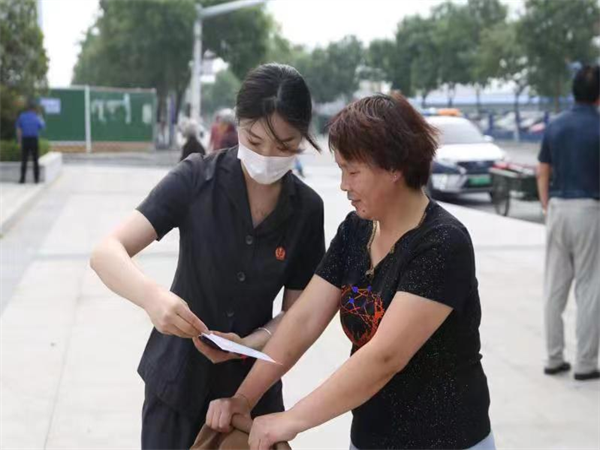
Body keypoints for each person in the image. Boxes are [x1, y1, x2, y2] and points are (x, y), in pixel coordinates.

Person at [207, 94, 494, 450]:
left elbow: (385, 356)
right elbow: (304, 319)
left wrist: (292, 419)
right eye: (341, 170)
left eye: (353, 171)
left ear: (394, 167)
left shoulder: (442, 243)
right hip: (371, 437)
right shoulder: (356, 230)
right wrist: (244, 398)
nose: (344, 185)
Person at [90, 63, 325, 450]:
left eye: (285, 146)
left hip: (253, 393)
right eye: (254, 140)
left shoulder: (307, 209)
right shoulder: (197, 178)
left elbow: (298, 314)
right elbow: (106, 252)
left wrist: (253, 340)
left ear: (302, 138)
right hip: (176, 387)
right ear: (237, 123)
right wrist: (153, 299)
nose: (267, 156)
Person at [537, 65, 600, 381]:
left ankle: (554, 357)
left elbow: (542, 170)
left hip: (558, 208)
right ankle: (586, 364)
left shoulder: (556, 125)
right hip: (590, 210)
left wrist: (547, 205)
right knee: (590, 287)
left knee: (555, 287)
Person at [16, 100, 45, 184]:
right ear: (34, 109)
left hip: (25, 140)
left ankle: (22, 179)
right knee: (35, 160)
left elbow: (18, 129)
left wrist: (19, 141)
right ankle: (36, 179)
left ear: (27, 109)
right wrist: (41, 117)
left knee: (24, 159)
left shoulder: (22, 116)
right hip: (34, 140)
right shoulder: (36, 117)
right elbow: (42, 126)